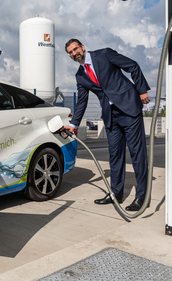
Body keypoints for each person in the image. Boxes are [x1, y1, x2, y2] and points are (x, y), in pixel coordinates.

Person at [63, 38, 150, 212]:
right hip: (111, 116)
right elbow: (82, 101)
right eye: (70, 53)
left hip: (129, 109)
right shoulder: (80, 76)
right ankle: (116, 194)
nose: (74, 54)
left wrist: (142, 90)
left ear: (82, 47)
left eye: (75, 49)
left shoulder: (104, 54)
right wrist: (73, 124)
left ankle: (142, 196)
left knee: (137, 154)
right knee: (115, 156)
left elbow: (132, 65)